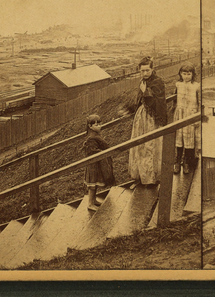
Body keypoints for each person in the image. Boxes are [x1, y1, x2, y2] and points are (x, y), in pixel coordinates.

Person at [121, 56, 168, 189]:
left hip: (152, 118)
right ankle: (141, 176)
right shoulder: (142, 82)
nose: (145, 73)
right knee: (140, 147)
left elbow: (156, 102)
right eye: (142, 71)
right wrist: (130, 109)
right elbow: (139, 99)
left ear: (153, 69)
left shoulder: (158, 82)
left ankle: (151, 178)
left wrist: (145, 91)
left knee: (150, 146)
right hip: (141, 117)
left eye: (147, 70)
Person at [82, 114, 116, 212]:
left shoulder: (96, 135)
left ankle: (94, 200)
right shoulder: (91, 138)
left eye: (100, 124)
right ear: (90, 126)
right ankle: (90, 203)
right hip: (93, 164)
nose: (99, 126)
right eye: (96, 125)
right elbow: (91, 151)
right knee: (92, 184)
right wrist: (102, 152)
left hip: (98, 163)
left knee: (96, 183)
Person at [173, 63, 201, 174]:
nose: (186, 76)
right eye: (184, 74)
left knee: (189, 140)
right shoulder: (178, 85)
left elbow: (199, 102)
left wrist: (197, 117)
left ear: (193, 75)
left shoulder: (196, 86)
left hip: (191, 114)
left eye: (189, 74)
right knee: (179, 139)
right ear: (180, 74)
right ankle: (177, 161)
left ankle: (186, 162)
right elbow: (174, 101)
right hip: (180, 114)